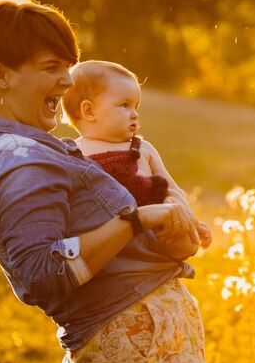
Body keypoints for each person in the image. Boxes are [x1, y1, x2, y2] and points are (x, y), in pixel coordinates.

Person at [0, 0, 243, 363]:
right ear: (1, 75)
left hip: (134, 347)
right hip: (130, 349)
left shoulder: (13, 146)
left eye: (68, 67)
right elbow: (40, 272)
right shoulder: (18, 158)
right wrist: (134, 220)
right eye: (52, 66)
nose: (66, 80)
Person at [60, 59, 211, 261]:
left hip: (158, 234)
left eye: (136, 106)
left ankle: (176, 245)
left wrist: (184, 216)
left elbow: (172, 189)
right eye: (125, 105)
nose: (135, 114)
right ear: (89, 111)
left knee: (185, 243)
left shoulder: (142, 149)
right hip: (108, 247)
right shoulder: (71, 155)